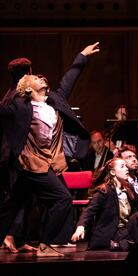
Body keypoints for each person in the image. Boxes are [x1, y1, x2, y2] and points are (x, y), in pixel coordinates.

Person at [0, 42, 99, 257]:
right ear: (28, 88)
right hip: (30, 163)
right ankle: (45, 245)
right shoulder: (20, 106)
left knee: (12, 205)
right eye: (36, 78)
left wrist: (81, 56)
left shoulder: (54, 100)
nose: (41, 77)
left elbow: (68, 80)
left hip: (48, 161)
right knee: (62, 198)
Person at [1, 57, 35, 253]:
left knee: (23, 197)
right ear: (28, 72)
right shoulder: (18, 95)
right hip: (15, 155)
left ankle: (19, 239)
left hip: (9, 154)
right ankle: (10, 235)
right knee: (19, 197)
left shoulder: (9, 94)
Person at [71, 158, 138, 251]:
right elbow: (89, 211)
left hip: (125, 232)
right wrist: (81, 227)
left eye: (126, 166)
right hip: (109, 235)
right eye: (122, 166)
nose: (126, 168)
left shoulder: (129, 188)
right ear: (113, 172)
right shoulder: (104, 191)